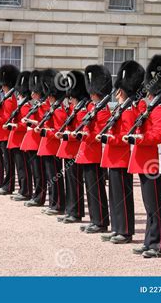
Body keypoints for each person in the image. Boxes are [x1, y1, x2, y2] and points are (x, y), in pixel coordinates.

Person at [127, 54, 161, 258]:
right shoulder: (149, 108)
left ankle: (158, 245)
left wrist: (137, 139)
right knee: (149, 206)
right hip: (143, 161)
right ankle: (148, 240)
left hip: (154, 162)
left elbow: (157, 135)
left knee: (156, 206)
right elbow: (138, 116)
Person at [99, 60, 145, 241]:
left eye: (119, 90)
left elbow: (126, 136)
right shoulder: (120, 109)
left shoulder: (129, 111)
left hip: (121, 157)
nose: (117, 93)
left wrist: (110, 139)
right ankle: (117, 228)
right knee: (114, 195)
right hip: (113, 157)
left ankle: (125, 231)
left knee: (123, 197)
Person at [75, 64, 111, 232]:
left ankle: (101, 221)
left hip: (94, 153)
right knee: (90, 189)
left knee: (96, 189)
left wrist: (84, 133)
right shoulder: (91, 107)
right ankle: (94, 219)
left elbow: (99, 132)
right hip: (86, 152)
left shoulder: (103, 110)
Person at [55, 70, 89, 223]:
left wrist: (67, 135)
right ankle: (70, 210)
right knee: (70, 182)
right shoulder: (72, 109)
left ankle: (76, 212)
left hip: (75, 151)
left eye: (71, 97)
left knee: (75, 183)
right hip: (68, 150)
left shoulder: (81, 111)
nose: (70, 100)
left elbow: (81, 132)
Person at [35, 69, 68, 216]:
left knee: (55, 178)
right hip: (47, 147)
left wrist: (44, 132)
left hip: (53, 147)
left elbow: (59, 131)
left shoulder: (59, 110)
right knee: (50, 178)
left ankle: (58, 204)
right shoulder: (51, 108)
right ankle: (53, 203)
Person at [5, 70, 34, 201]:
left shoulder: (26, 105)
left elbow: (26, 124)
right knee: (20, 167)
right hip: (16, 139)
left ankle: (25, 191)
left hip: (21, 139)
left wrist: (16, 126)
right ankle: (22, 189)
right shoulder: (20, 104)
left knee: (23, 167)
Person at [22, 70, 49, 207]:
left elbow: (44, 123)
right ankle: (36, 195)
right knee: (35, 172)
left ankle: (39, 197)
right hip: (32, 141)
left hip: (39, 141)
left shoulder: (44, 105)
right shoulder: (36, 105)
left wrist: (30, 122)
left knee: (40, 173)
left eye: (35, 91)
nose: (32, 94)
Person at [0, 65, 18, 196]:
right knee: (5, 161)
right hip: (2, 134)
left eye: (4, 85)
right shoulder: (6, 97)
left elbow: (7, 118)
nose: (2, 87)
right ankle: (5, 184)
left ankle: (8, 186)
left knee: (8, 162)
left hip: (6, 134)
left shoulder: (10, 99)